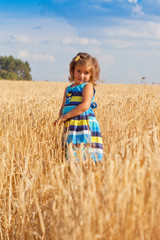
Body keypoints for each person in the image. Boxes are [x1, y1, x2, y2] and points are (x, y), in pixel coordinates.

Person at [54, 52, 103, 162]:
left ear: (91, 75)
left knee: (84, 152)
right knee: (71, 153)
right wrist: (60, 118)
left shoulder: (87, 86)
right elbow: (63, 106)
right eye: (78, 71)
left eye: (86, 73)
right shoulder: (68, 89)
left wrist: (66, 116)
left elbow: (85, 105)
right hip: (70, 124)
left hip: (83, 124)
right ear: (72, 71)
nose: (81, 76)